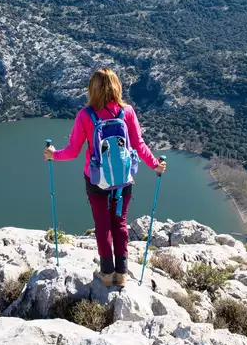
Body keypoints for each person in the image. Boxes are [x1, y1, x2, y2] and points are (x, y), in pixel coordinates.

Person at [43, 67, 166, 287]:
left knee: (103, 226)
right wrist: (155, 165)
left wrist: (53, 155)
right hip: (123, 181)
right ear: (117, 86)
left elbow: (72, 152)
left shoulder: (85, 115)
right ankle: (122, 274)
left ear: (92, 89)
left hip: (96, 181)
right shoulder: (127, 112)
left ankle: (107, 274)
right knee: (120, 224)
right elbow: (139, 145)